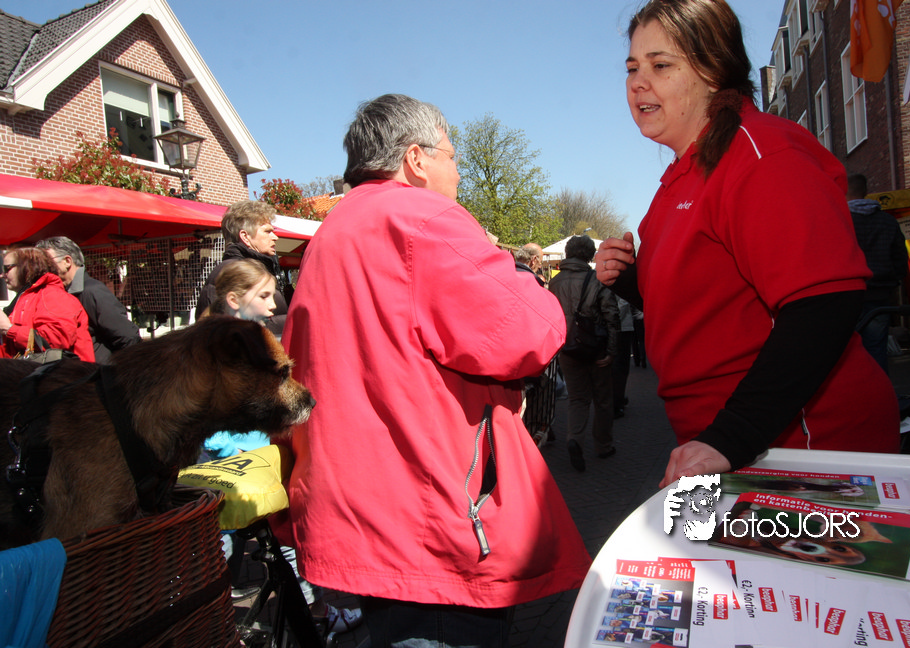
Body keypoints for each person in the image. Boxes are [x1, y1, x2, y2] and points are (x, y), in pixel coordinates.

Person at [277, 93, 590, 647]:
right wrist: (512, 269)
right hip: (427, 525)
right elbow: (532, 331)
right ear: (416, 159)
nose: (459, 171)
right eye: (452, 155)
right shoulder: (422, 218)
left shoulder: (333, 232)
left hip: (354, 513)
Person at [595, 0, 899, 487]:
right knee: (675, 539)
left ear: (713, 69)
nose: (637, 82)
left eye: (661, 65)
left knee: (681, 535)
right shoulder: (681, 176)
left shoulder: (762, 153)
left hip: (801, 449)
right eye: (632, 68)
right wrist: (631, 279)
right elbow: (705, 305)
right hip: (717, 447)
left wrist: (731, 436)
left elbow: (825, 303)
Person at [200, 258, 363, 633]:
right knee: (227, 547)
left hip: (264, 456)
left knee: (269, 543)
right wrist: (229, 452)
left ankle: (313, 614)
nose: (274, 304)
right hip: (243, 463)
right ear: (234, 299)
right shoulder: (218, 347)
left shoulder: (255, 338)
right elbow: (205, 412)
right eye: (264, 296)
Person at [548, 235, 620, 471]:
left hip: (567, 349)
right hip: (596, 348)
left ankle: (574, 439)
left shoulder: (555, 283)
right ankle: (603, 445)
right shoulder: (596, 280)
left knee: (577, 398)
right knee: (603, 400)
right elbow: (611, 317)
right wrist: (611, 351)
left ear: (568, 253)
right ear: (589, 254)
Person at [36, 236, 141, 364]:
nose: (41, 268)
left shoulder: (91, 291)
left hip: (98, 371)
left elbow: (128, 336)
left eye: (46, 262)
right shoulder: (60, 292)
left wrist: (115, 370)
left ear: (67, 261)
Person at [194, 201, 289, 335]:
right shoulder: (232, 271)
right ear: (245, 236)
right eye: (267, 231)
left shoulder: (258, 268)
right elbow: (223, 331)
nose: (275, 237)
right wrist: (295, 321)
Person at [846, 172, 909, 373]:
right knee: (876, 347)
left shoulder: (840, 220)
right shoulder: (887, 221)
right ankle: (879, 389)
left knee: (845, 350)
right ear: (866, 191)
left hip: (848, 293)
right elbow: (900, 257)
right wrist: (893, 280)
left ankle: (855, 389)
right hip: (880, 293)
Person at [0, 247, 95, 362]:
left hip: (64, 372)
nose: (2, 275)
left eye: (7, 269)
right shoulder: (26, 298)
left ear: (26, 267)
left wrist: (8, 328)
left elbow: (56, 340)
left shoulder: (53, 296)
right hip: (33, 371)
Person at [612, 296, 635, 418]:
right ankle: (617, 400)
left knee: (616, 366)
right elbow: (624, 304)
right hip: (621, 328)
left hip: (614, 327)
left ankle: (617, 397)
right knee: (621, 367)